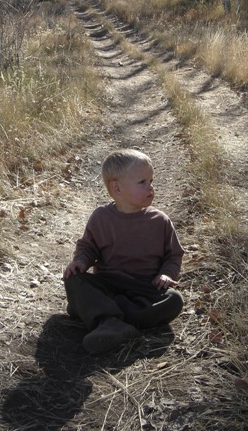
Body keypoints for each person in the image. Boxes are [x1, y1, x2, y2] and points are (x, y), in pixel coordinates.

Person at [63, 148, 185, 355]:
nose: (151, 187)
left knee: (174, 300)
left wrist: (166, 274)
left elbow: (173, 254)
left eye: (151, 181)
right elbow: (87, 246)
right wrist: (81, 261)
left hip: (145, 288)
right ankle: (112, 320)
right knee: (74, 279)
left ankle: (105, 318)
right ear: (117, 189)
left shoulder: (160, 221)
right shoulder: (101, 218)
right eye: (142, 182)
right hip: (109, 284)